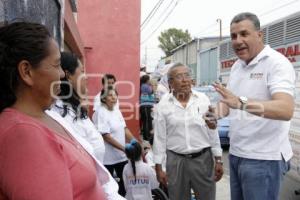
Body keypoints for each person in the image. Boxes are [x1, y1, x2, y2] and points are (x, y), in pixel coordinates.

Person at [0, 22, 106, 199]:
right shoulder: (23, 135)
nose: (63, 75)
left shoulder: (43, 116)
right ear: (27, 72)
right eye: (56, 65)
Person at [213, 12, 295, 200]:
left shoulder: (276, 63)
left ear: (259, 35)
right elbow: (227, 104)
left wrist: (241, 103)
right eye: (233, 36)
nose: (237, 41)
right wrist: (212, 115)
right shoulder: (237, 66)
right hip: (236, 154)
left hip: (263, 158)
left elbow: (285, 109)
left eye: (244, 34)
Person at [45, 52, 125, 200]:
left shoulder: (74, 110)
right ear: (67, 75)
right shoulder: (58, 116)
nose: (86, 77)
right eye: (82, 71)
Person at [153, 63, 223, 200]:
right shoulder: (163, 105)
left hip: (203, 159)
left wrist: (218, 158)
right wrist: (158, 167)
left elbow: (212, 130)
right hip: (176, 160)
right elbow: (160, 138)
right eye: (179, 76)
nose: (185, 80)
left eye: (187, 75)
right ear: (170, 83)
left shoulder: (203, 99)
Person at [93, 86, 135, 197]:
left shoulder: (117, 111)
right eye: (110, 95)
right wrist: (124, 148)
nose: (114, 97)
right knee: (109, 190)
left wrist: (135, 142)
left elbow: (125, 129)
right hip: (108, 159)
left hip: (121, 156)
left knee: (125, 185)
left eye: (115, 95)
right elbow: (106, 136)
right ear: (103, 98)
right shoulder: (101, 112)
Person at [140, 74, 155, 141]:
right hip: (146, 105)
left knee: (147, 120)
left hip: (145, 105)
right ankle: (147, 136)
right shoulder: (145, 86)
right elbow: (151, 92)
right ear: (147, 80)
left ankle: (147, 135)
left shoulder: (143, 85)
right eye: (149, 79)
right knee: (147, 121)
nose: (150, 81)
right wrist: (151, 86)